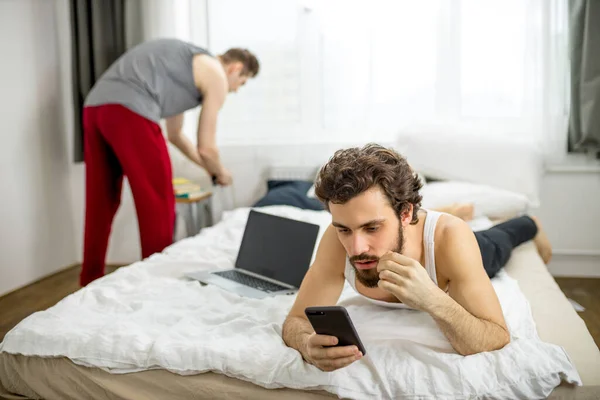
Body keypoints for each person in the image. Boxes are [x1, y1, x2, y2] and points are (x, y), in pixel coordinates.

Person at [282, 143, 552, 372]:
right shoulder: (337, 239)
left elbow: (495, 336)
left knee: (496, 244)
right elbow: (295, 321)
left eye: (372, 227)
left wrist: (432, 299)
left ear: (405, 214)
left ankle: (530, 223)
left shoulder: (450, 239)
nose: (356, 247)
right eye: (344, 229)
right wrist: (306, 344)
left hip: (461, 251)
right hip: (413, 233)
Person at [80, 38, 259, 286]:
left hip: (94, 108)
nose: (237, 89)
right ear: (236, 68)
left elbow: (176, 136)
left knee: (101, 201)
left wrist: (210, 169)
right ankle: (157, 283)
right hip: (131, 108)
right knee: (158, 199)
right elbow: (207, 148)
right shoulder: (216, 75)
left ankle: (89, 278)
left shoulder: (187, 71)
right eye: (242, 82)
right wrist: (222, 172)